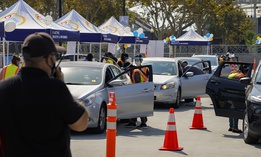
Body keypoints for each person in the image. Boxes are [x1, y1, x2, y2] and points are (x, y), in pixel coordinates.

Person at [0, 32, 89, 157]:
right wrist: (63, 86)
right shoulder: (55, 89)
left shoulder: (3, 88)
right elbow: (81, 123)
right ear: (48, 59)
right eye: (55, 57)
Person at [125, 54, 149, 129]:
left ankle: (139, 122)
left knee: (137, 107)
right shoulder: (144, 68)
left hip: (139, 90)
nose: (137, 61)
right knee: (139, 107)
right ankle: (139, 122)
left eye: (138, 60)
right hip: (144, 89)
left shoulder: (135, 71)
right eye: (136, 60)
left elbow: (137, 81)